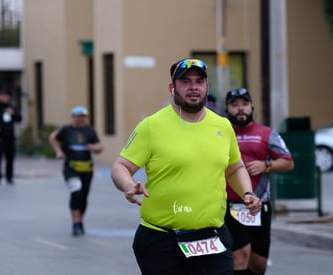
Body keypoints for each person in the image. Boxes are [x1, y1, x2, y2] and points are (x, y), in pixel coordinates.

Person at [111, 58, 261, 275]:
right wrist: (127, 185)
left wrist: (247, 192)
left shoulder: (222, 125)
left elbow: (235, 168)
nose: (193, 87)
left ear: (207, 87)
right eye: (185, 81)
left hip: (211, 239)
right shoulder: (152, 126)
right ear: (173, 87)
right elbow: (120, 165)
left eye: (199, 81)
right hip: (162, 240)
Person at [224, 88, 294, 275]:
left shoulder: (266, 133)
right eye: (234, 105)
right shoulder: (221, 133)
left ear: (252, 107)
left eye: (244, 104)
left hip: (259, 204)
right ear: (227, 108)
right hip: (229, 205)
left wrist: (266, 165)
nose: (240, 109)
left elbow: (288, 162)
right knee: (239, 256)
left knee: (258, 264)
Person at [49, 106, 103, 236]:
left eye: (83, 116)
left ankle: (80, 221)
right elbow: (53, 137)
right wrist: (59, 151)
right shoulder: (66, 130)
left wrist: (93, 147)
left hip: (87, 168)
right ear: (73, 117)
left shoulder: (90, 131)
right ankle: (75, 222)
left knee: (83, 196)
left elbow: (100, 147)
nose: (80, 119)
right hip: (70, 168)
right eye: (78, 116)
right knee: (76, 192)